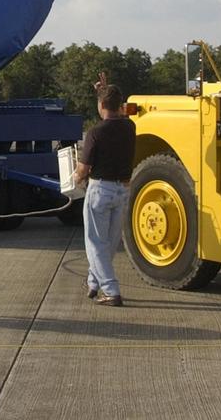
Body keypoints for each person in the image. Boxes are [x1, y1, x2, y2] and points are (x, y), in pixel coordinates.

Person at [73, 72, 136, 307]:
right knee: (108, 243)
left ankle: (111, 290)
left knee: (95, 243)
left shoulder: (95, 133)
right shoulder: (130, 127)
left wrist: (75, 178)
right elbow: (114, 109)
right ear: (120, 104)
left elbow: (83, 168)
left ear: (100, 105)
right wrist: (104, 91)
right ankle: (94, 283)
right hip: (122, 190)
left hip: (100, 190)